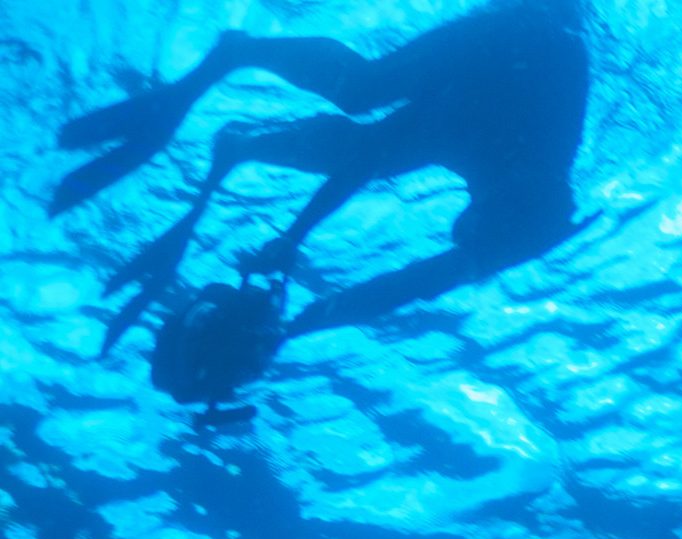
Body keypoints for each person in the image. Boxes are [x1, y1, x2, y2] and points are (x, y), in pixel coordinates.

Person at [51, 0, 590, 403]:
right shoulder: (519, 186)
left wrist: (293, 307)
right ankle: (237, 76)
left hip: (515, 55)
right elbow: (403, 281)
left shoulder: (497, 174)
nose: (459, 247)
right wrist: (293, 264)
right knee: (365, 100)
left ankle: (238, 106)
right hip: (526, 46)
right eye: (468, 244)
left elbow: (404, 280)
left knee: (368, 109)